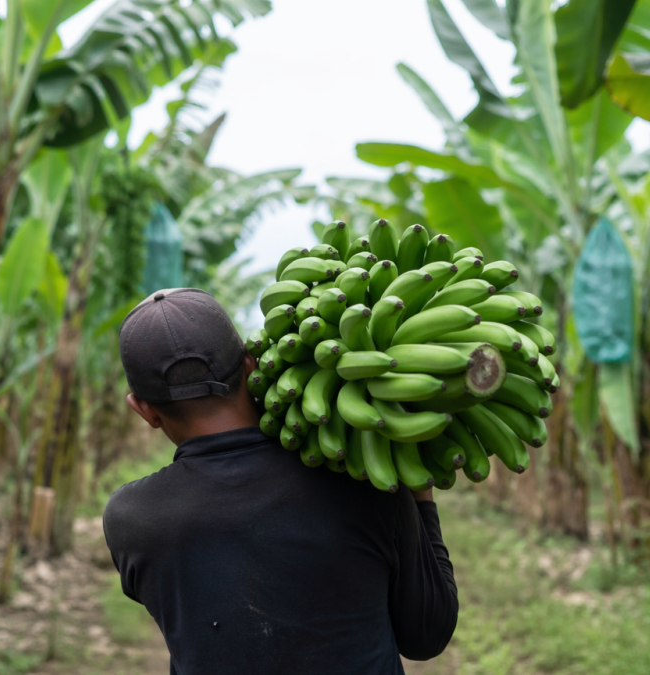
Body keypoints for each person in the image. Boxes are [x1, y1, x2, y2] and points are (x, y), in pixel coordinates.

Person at [103, 288, 459, 674]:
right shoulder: (359, 478)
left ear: (143, 410)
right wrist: (419, 492)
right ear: (251, 365)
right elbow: (426, 635)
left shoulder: (130, 519)